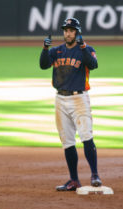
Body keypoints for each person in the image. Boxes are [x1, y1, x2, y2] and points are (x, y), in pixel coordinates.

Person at [39, 18, 102, 191]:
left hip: (79, 99)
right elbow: (43, 65)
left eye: (71, 30)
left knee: (86, 135)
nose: (67, 33)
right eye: (66, 30)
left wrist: (82, 48)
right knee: (67, 141)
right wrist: (45, 49)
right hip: (60, 99)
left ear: (77, 33)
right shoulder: (56, 51)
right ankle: (74, 180)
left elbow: (93, 65)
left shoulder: (86, 49)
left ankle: (95, 175)